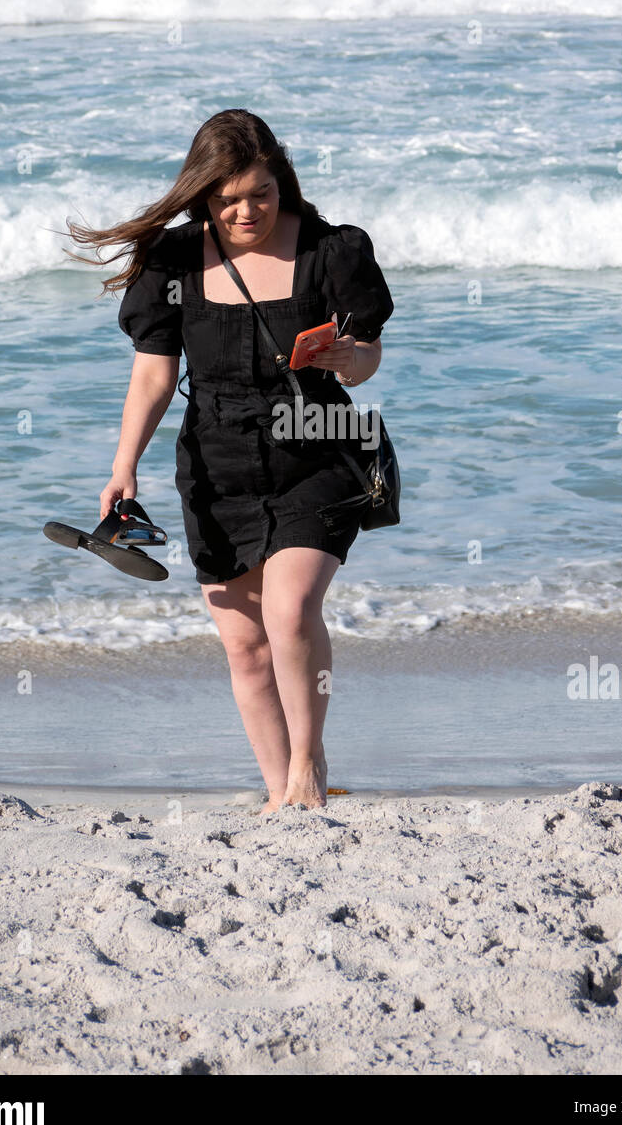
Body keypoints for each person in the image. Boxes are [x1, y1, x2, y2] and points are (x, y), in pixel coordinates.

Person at [67, 109, 394, 813]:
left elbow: (367, 358)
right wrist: (123, 467)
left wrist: (350, 357)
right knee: (245, 647)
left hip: (317, 451)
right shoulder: (173, 263)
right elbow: (154, 376)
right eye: (227, 198)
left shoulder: (332, 251)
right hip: (217, 468)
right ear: (203, 194)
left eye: (261, 193)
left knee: (291, 608)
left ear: (283, 182)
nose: (247, 210)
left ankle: (308, 768)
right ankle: (283, 795)